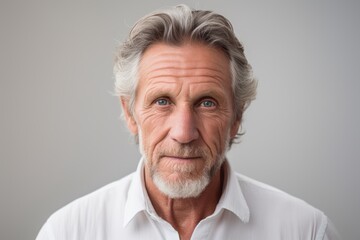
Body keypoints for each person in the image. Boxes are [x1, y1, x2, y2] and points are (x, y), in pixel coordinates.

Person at [36, 5, 340, 240]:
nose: (184, 133)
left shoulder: (305, 230)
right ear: (130, 113)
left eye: (207, 103)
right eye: (162, 101)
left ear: (237, 117)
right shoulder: (68, 232)